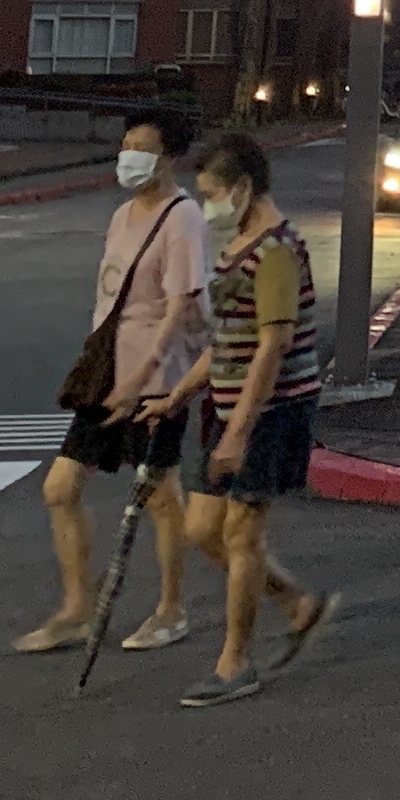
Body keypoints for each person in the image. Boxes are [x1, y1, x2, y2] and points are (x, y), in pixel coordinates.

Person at [16, 112, 208, 657]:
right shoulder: (123, 214)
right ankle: (78, 608)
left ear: (168, 157)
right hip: (107, 375)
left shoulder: (183, 218)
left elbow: (180, 309)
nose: (130, 157)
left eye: (142, 147)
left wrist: (142, 381)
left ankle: (172, 610)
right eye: (126, 146)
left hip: (156, 380)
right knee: (60, 488)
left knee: (160, 498)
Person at [155, 130, 334, 707]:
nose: (206, 204)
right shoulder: (236, 247)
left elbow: (271, 346)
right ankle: (298, 604)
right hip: (225, 408)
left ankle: (236, 662)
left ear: (244, 188)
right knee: (202, 529)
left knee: (241, 533)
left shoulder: (278, 250)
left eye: (211, 192)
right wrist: (179, 393)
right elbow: (228, 340)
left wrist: (238, 432)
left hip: (270, 412)